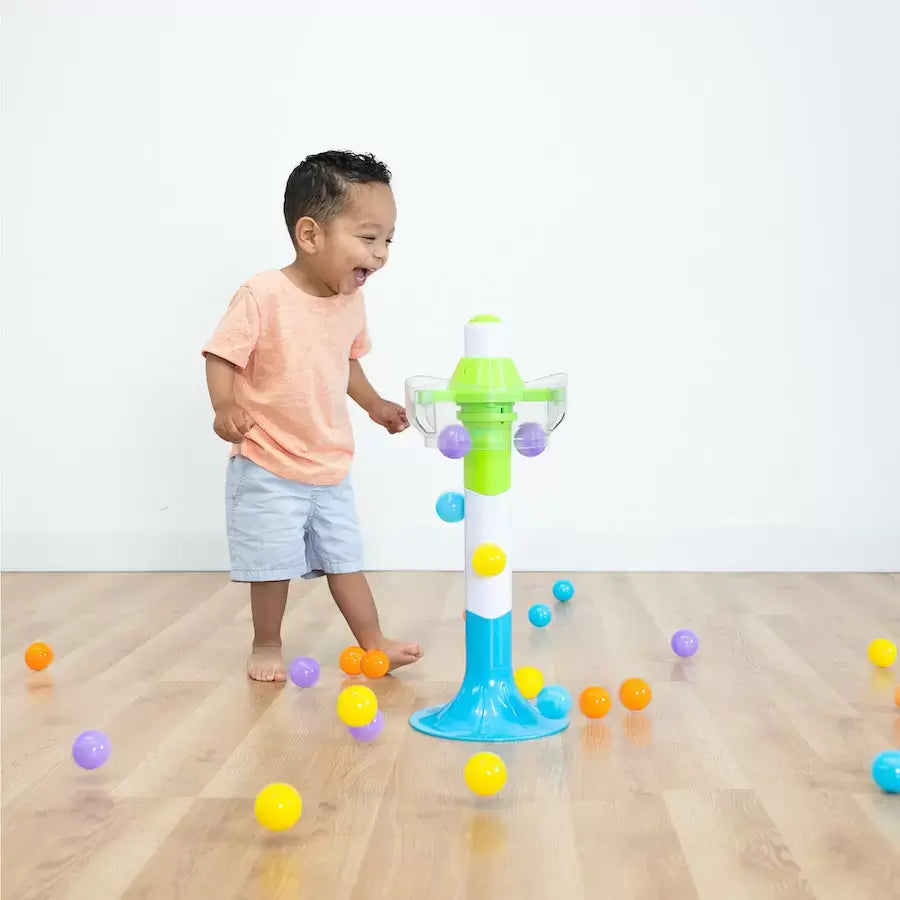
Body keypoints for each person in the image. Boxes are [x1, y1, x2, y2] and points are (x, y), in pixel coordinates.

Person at [202, 150, 423, 682]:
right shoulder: (263, 295)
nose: (382, 253)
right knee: (272, 565)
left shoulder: (349, 300)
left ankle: (374, 642)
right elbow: (221, 354)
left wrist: (374, 405)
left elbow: (345, 361)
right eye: (368, 239)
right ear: (310, 234)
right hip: (268, 461)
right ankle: (267, 642)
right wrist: (225, 405)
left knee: (347, 560)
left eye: (388, 240)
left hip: (328, 464)